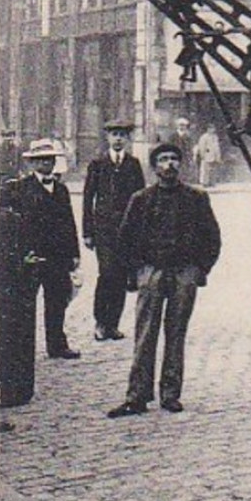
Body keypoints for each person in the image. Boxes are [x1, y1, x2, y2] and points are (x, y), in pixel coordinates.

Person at [108, 142, 222, 417]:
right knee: (145, 334)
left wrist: (199, 270)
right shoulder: (141, 199)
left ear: (180, 164)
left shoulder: (196, 198)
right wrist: (138, 271)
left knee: (176, 334)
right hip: (152, 272)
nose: (169, 164)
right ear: (154, 166)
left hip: (184, 273)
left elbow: (212, 238)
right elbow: (125, 240)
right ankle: (137, 396)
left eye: (174, 159)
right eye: (163, 160)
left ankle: (171, 394)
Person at [0, 138, 83, 408]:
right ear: (31, 163)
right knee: (24, 308)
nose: (46, 164)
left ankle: (57, 342)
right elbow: (7, 227)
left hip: (56, 257)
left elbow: (69, 222)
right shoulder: (18, 189)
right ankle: (22, 358)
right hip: (30, 259)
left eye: (50, 159)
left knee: (58, 300)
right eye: (41, 160)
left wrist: (74, 253)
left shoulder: (62, 190)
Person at [81, 116, 146, 341]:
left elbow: (141, 198)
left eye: (122, 135)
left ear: (128, 139)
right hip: (104, 230)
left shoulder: (133, 164)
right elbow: (88, 198)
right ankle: (101, 322)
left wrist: (140, 230)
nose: (118, 139)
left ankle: (113, 325)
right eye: (114, 135)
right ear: (108, 137)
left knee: (121, 275)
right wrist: (87, 232)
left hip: (127, 230)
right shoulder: (97, 164)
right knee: (107, 273)